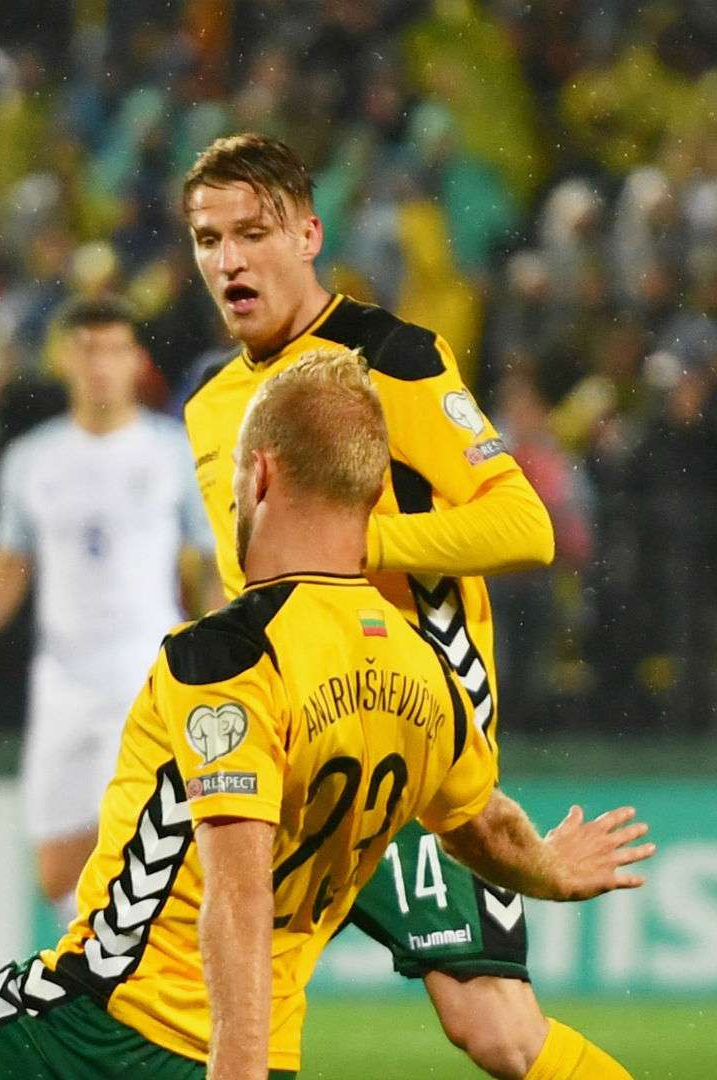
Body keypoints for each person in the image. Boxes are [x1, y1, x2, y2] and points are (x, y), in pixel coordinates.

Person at [0, 350, 653, 1080]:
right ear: (375, 494)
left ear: (259, 476)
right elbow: (481, 825)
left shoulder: (227, 654)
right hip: (267, 1044)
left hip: (107, 1024)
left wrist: (235, 1067)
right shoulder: (429, 679)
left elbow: (237, 887)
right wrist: (551, 872)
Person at [177, 132, 626, 1079]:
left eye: (253, 233)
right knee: (203, 1004)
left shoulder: (391, 358)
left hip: (408, 735)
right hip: (294, 741)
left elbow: (525, 526)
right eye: (208, 239)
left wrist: (364, 545)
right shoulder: (211, 405)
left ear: (308, 235)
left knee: (497, 1032)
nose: (229, 260)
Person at [0, 297, 214, 914]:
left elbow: (212, 565)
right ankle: (100, 958)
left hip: (144, 674)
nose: (100, 365)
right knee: (56, 872)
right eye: (87, 351)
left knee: (132, 841)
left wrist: (224, 651)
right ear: (62, 359)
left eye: (113, 350)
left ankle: (139, 965)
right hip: (63, 681)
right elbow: (7, 568)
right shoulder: (33, 459)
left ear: (136, 360)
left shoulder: (172, 452)